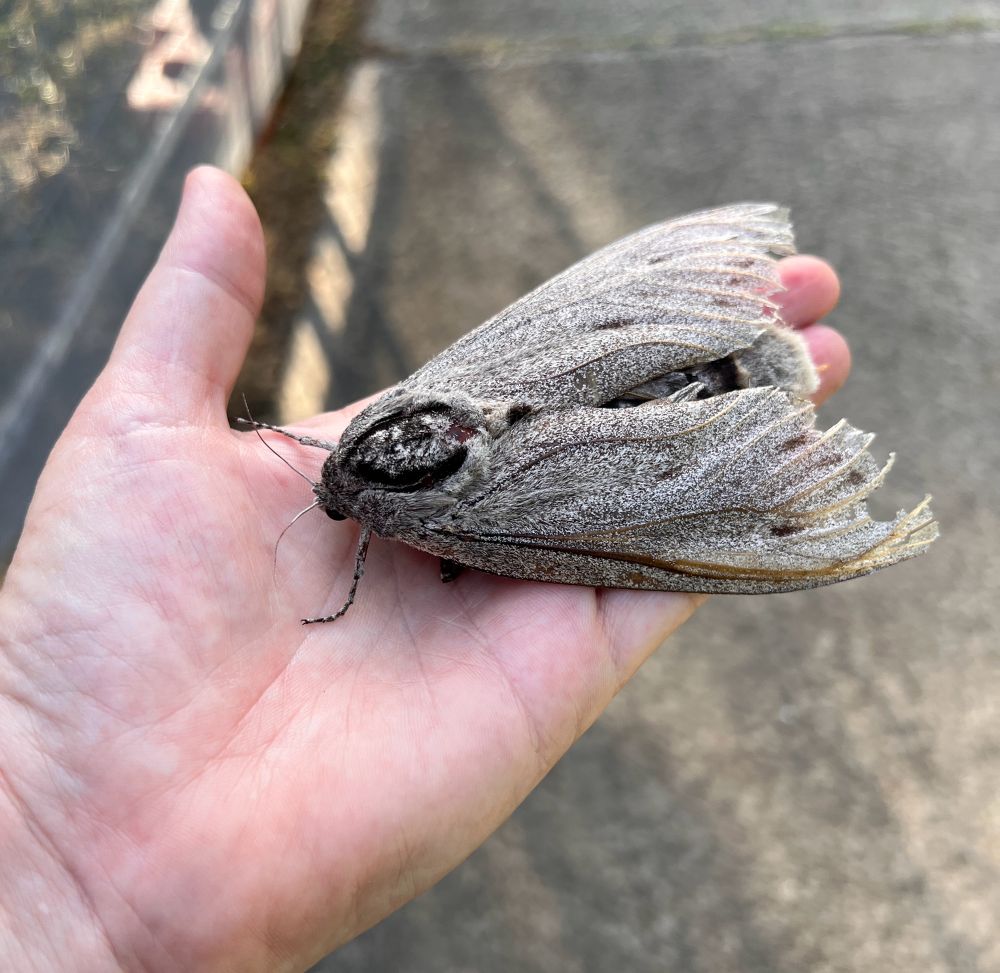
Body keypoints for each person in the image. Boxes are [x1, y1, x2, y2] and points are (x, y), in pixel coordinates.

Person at [0, 167, 849, 970]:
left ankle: (748, 426)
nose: (334, 496)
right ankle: (738, 405)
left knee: (648, 519)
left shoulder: (434, 527)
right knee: (612, 399)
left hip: (538, 479)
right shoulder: (396, 423)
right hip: (505, 371)